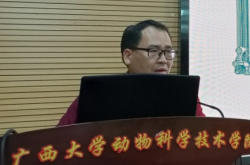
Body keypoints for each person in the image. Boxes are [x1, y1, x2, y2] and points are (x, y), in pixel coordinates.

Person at [57, 20, 205, 126]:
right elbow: (58, 144)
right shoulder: (97, 96)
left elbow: (206, 138)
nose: (163, 60)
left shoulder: (184, 96)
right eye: (153, 51)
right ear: (128, 56)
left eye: (168, 52)